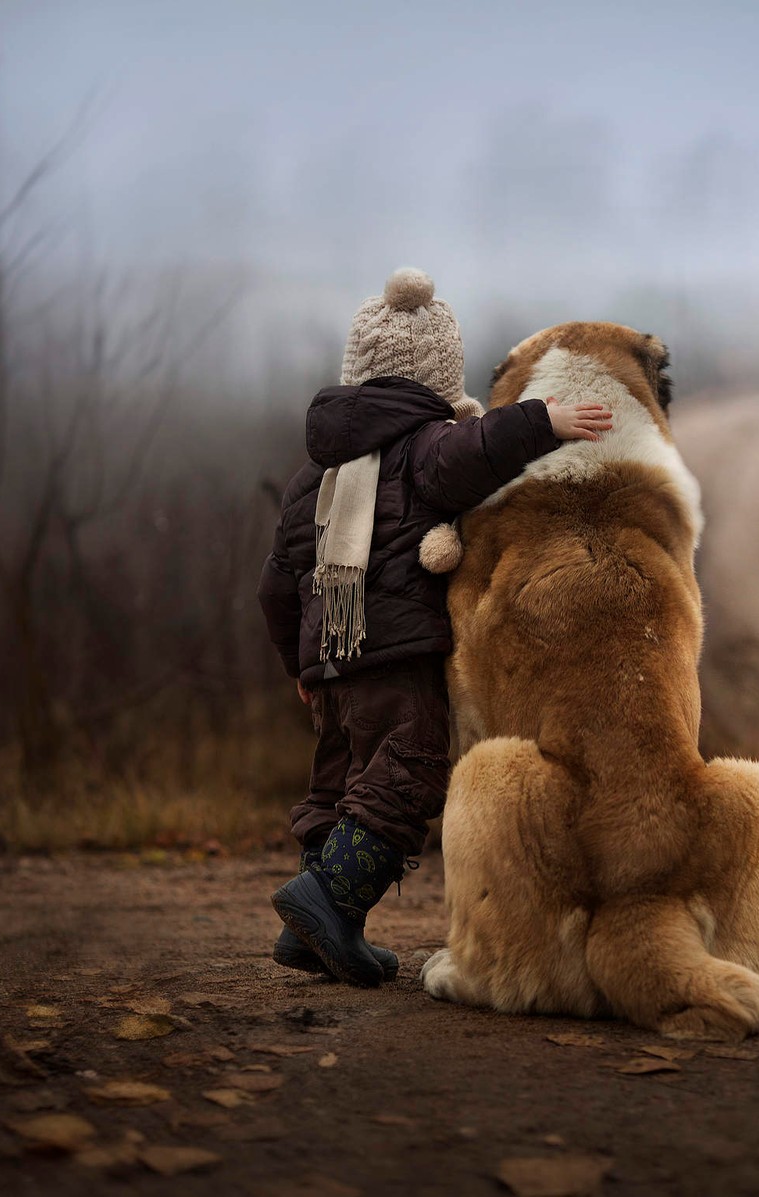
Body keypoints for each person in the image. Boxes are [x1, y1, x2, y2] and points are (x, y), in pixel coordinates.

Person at [258, 267, 612, 986]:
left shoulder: (310, 479)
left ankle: (318, 930)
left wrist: (299, 665)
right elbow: (475, 450)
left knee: (340, 785)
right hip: (393, 656)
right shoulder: (422, 448)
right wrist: (546, 420)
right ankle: (327, 900)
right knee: (409, 774)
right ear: (436, 378)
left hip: (329, 663)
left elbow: (275, 583)